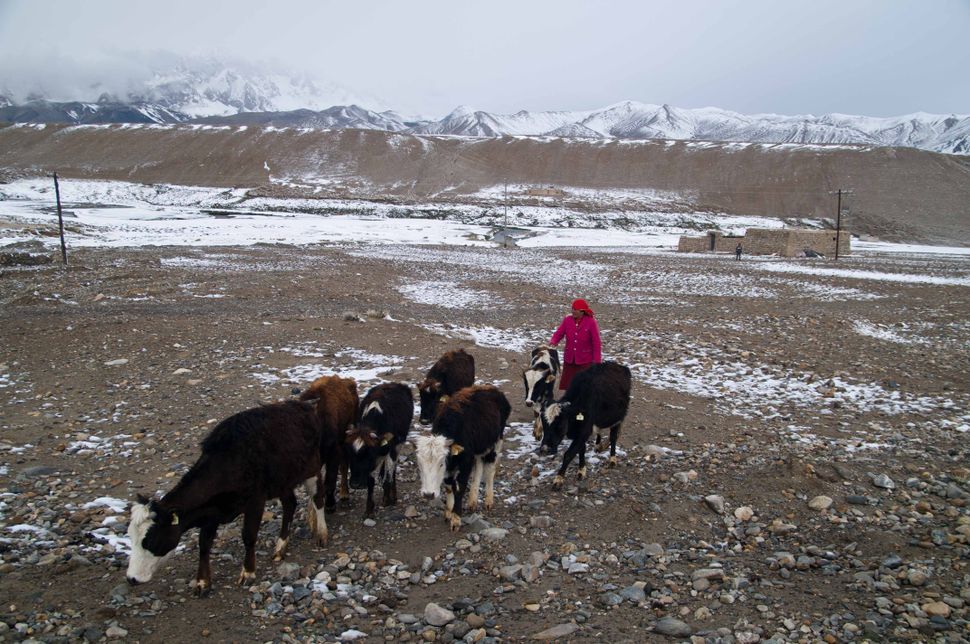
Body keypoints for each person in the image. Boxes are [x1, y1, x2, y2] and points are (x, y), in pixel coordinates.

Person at [549, 298, 602, 391]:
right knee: (568, 386)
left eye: (575, 309)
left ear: (582, 311)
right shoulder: (567, 320)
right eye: (572, 309)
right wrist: (553, 341)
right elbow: (559, 333)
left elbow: (596, 343)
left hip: (585, 361)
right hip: (569, 360)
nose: (573, 311)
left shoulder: (591, 322)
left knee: (584, 386)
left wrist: (597, 362)